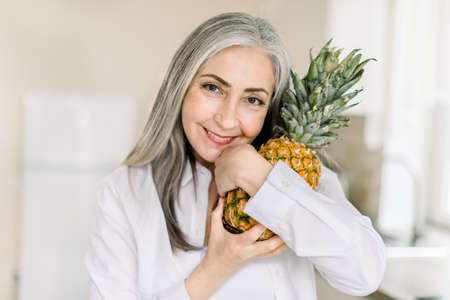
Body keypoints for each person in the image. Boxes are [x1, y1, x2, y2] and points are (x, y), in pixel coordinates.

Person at [85, 12, 386, 300]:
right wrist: (217, 268)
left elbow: (365, 274)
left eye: (253, 99)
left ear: (270, 109)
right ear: (180, 86)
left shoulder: (300, 179)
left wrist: (260, 179)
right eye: (213, 88)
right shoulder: (126, 191)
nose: (228, 120)